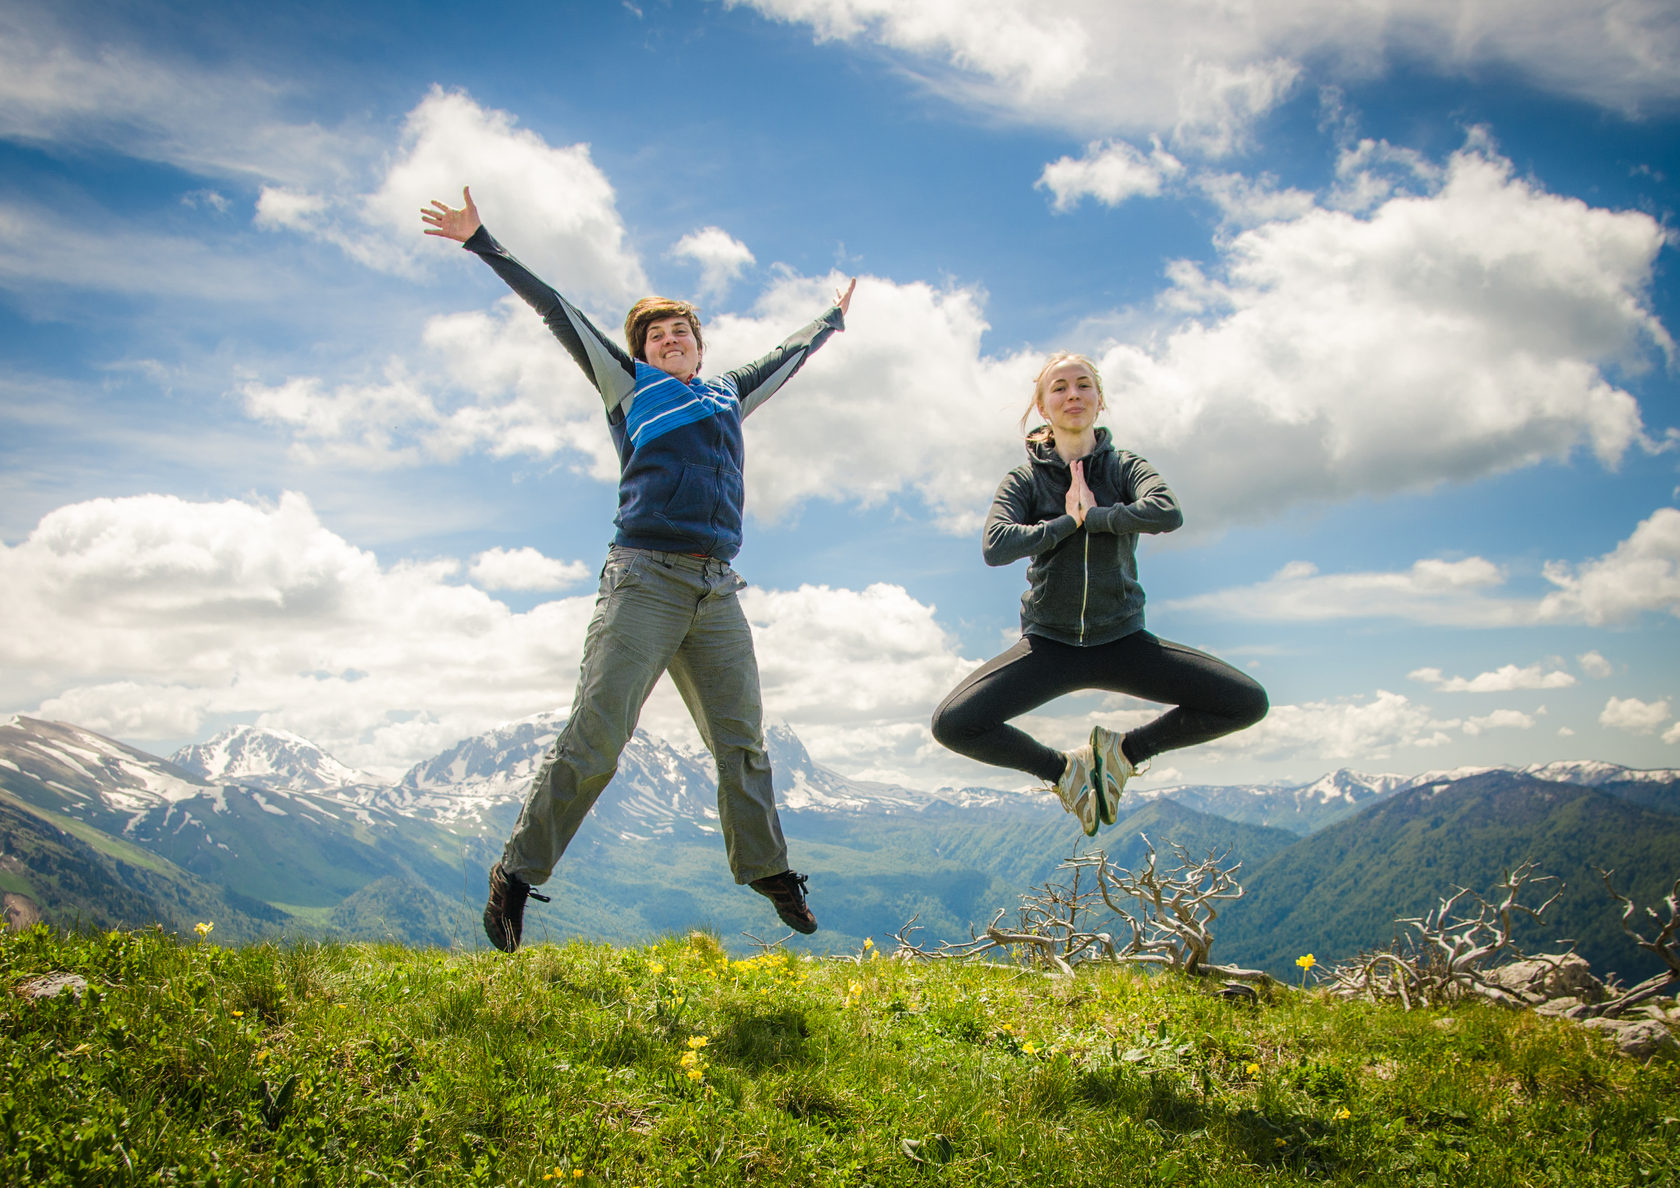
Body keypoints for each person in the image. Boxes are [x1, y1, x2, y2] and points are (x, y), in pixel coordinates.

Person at [422, 187, 855, 951]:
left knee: (743, 742)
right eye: (657, 335)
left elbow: (790, 356)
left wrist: (831, 319)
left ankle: (767, 869)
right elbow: (559, 311)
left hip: (716, 588)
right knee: (598, 733)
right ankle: (517, 874)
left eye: (682, 331)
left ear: (700, 344)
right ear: (642, 350)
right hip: (645, 578)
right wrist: (481, 239)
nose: (671, 340)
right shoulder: (631, 388)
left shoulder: (726, 397)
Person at [930, 352, 1267, 833]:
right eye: (1060, 387)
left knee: (1246, 702)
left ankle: (1122, 754)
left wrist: (1100, 516)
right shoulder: (1025, 479)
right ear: (1043, 407)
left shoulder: (1124, 468)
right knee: (953, 724)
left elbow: (1166, 512)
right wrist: (1067, 523)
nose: (1073, 395)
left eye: (1084, 385)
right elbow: (995, 545)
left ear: (1099, 400)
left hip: (1123, 640)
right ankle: (1065, 772)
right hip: (1050, 645)